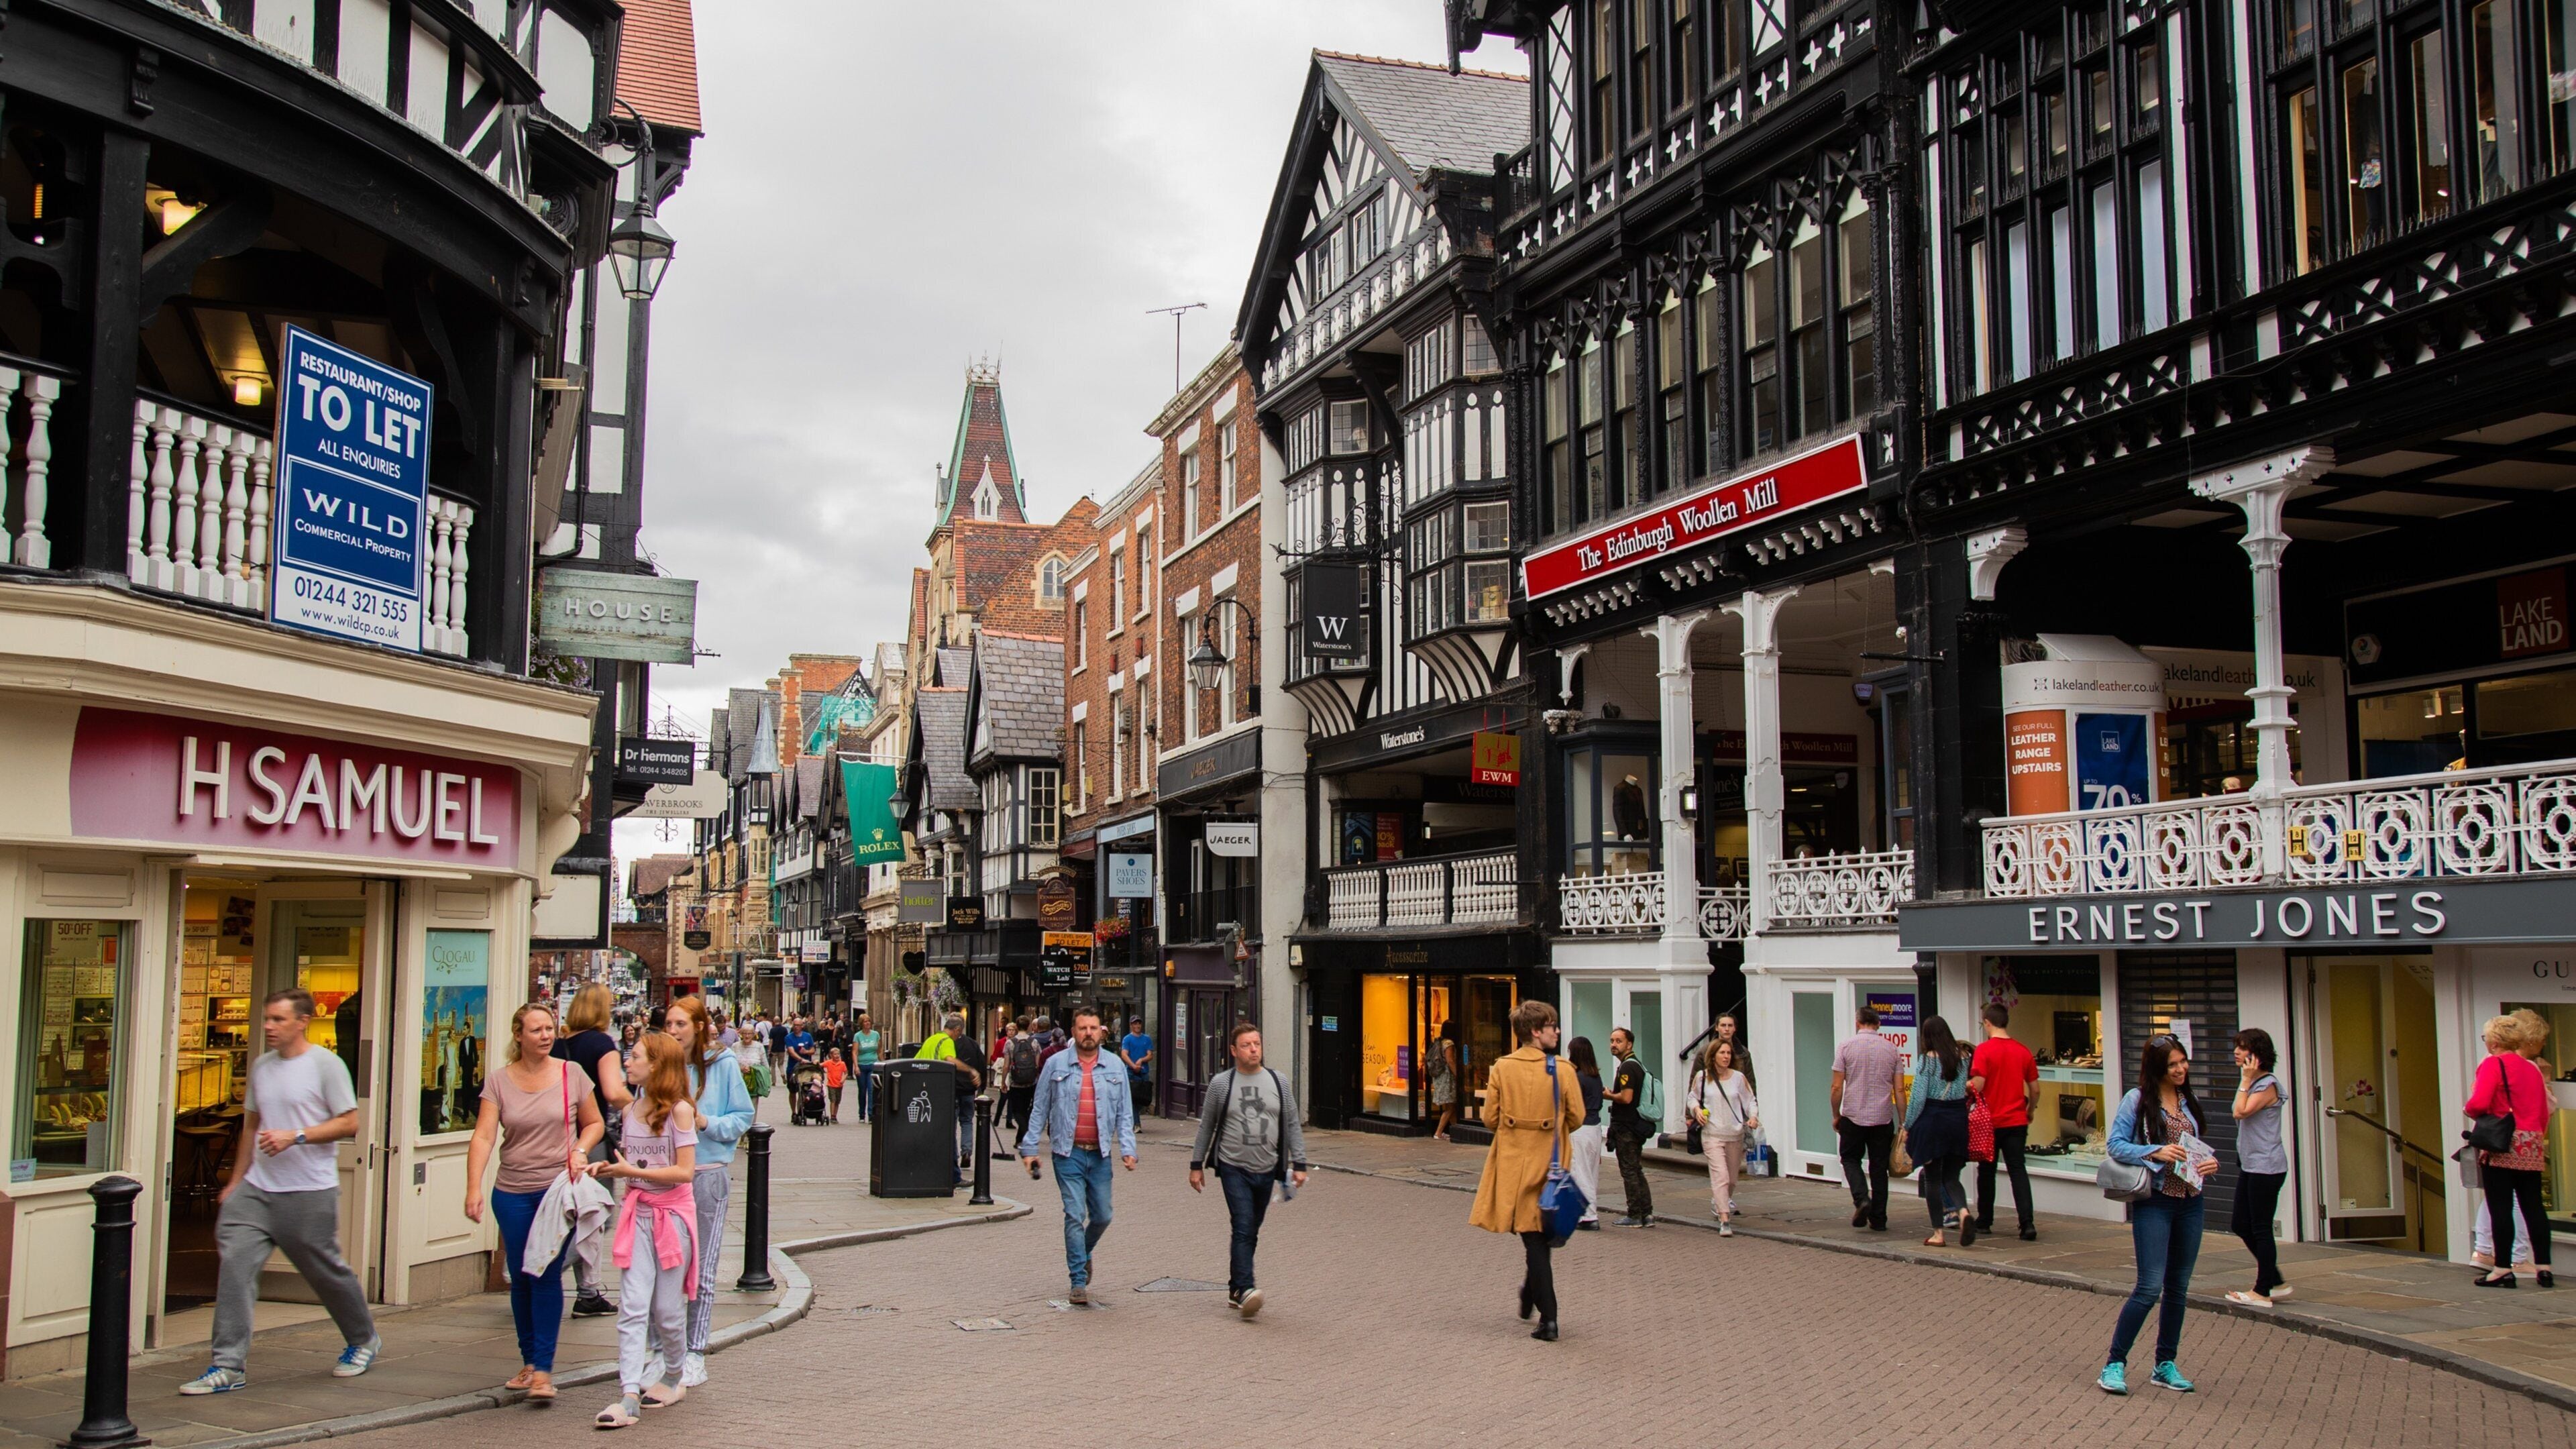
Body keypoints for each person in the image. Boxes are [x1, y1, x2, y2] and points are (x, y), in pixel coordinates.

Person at [182, 989, 382, 1395]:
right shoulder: (262, 1067)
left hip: (308, 1191)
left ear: (302, 1021)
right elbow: (252, 1128)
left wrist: (298, 1136)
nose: (269, 1027)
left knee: (325, 1273)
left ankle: (363, 1340)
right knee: (236, 1269)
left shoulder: (326, 1066)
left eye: (278, 1020)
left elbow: (350, 1124)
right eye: (267, 1019)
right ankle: (228, 1365)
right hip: (257, 1190)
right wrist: (236, 1182)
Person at [464, 1003, 603, 1404]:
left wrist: (581, 1149)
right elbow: (485, 1137)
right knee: (520, 1275)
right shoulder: (499, 1081)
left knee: (543, 1272)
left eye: (549, 1029)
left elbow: (593, 1122)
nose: (545, 1036)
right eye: (536, 1030)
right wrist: (474, 1188)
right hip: (510, 1192)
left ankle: (543, 1369)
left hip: (554, 1192)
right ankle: (529, 1362)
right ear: (518, 1035)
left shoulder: (570, 1074)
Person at [590, 1032, 700, 1430]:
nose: (627, 1064)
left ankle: (674, 1373)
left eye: (634, 1058)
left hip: (672, 1221)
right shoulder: (631, 1109)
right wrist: (605, 1169)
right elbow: (630, 1162)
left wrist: (631, 1172)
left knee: (668, 1312)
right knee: (633, 1307)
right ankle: (629, 1394)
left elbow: (684, 1173)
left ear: (656, 1066)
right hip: (637, 1217)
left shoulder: (680, 1113)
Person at [2098, 1033, 2211, 1396]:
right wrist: (2156, 1151)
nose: (2181, 1069)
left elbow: (2194, 1146)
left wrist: (2208, 1162)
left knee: (2178, 1288)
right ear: (2157, 1067)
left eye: (2183, 1062)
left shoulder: (2187, 1099)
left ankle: (2165, 1365)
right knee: (2149, 1286)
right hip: (2157, 1202)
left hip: (2191, 1201)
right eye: (2173, 1064)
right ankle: (2114, 1364)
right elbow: (2116, 1144)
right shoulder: (2137, 1099)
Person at [1468, 1000, 1583, 1342]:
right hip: (1550, 1162)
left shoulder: (1502, 1068)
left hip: (1513, 1162)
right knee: (1538, 1236)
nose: (1557, 1032)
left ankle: (1538, 1306)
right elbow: (1576, 1117)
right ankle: (1545, 1315)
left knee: (1534, 1237)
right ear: (1536, 1032)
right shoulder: (1562, 1069)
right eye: (1552, 1027)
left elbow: (1489, 1119)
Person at [1187, 1023, 1309, 1318]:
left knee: (1251, 1229)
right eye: (1246, 1045)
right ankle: (1246, 1289)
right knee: (1242, 1224)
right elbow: (1208, 1125)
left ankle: (1235, 1287)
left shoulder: (1278, 1082)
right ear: (1233, 1051)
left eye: (1257, 1044)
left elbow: (1292, 1123)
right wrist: (1196, 1165)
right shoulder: (1222, 1083)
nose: (1253, 1049)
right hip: (1233, 1166)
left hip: (1267, 1167)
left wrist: (1300, 1163)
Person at [1018, 1007, 1139, 1303]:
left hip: (1099, 1155)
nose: (1088, 1033)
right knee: (1074, 1214)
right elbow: (1040, 1108)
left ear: (1101, 1032)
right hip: (1067, 1152)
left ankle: (1084, 1252)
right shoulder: (1056, 1064)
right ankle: (1078, 1280)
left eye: (1094, 1028)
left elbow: (1125, 1113)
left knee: (1103, 1215)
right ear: (1074, 1032)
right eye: (1083, 1028)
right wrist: (1030, 1148)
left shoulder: (1114, 1066)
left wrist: (1128, 1148)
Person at [664, 997, 751, 1387]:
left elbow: (742, 1117)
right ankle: (660, 1351)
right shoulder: (660, 1063)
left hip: (706, 1174)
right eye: (669, 1023)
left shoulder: (723, 1064)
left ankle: (694, 1352)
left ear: (698, 1027)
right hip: (664, 1178)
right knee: (661, 1268)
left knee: (701, 1269)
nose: (673, 1030)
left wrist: (704, 1122)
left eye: (680, 1024)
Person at [554, 983, 633, 1319]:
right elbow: (614, 1092)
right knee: (594, 1214)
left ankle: (588, 1292)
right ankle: (541, 1267)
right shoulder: (603, 1044)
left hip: (557, 1137)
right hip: (591, 1135)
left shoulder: (559, 1045)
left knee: (571, 1213)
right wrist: (646, 1110)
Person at [2466, 1012, 2555, 1290]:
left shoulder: (2493, 1064)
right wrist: (2534, 1137)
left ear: (2493, 1041)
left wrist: (2469, 1110)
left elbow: (2479, 1103)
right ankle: (2544, 1268)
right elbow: (2543, 1111)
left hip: (2503, 1142)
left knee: (2500, 1206)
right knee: (2533, 1206)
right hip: (2532, 1141)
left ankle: (2503, 1269)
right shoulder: (2532, 1068)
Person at [2226, 1028, 2290, 1307]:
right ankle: (2273, 1278)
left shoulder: (2267, 1085)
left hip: (2267, 1167)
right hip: (2251, 1165)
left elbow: (2240, 1112)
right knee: (2240, 1223)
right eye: (2236, 1047)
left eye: (2243, 1048)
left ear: (2258, 1054)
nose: (2237, 1052)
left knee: (2261, 1227)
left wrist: (2245, 1080)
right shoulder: (2253, 1083)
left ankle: (2262, 1291)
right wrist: (2245, 1081)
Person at [1968, 1003, 2039, 1242]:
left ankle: (1985, 1220)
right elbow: (2035, 1089)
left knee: (1986, 1171)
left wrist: (1967, 1088)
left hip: (1990, 1121)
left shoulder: (1984, 1051)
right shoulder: (2023, 1051)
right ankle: (2027, 1223)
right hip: (2017, 1120)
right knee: (2018, 1169)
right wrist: (2030, 1110)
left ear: (1987, 1023)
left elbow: (1978, 1083)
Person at [1829, 1006, 1902, 1232]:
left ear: (1858, 1022)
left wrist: (1836, 1114)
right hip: (1882, 1118)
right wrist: (1903, 1121)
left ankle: (1861, 1199)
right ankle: (1879, 1219)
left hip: (1853, 1115)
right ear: (1878, 1024)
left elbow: (1836, 1086)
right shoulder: (1892, 1049)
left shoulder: (1846, 1046)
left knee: (1850, 1159)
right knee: (1880, 1168)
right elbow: (1899, 1089)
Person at [1904, 1016, 1974, 1248]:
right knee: (1952, 1177)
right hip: (1957, 1120)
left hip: (1933, 1120)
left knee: (1932, 1179)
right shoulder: (1964, 1058)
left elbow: (1917, 1098)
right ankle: (1963, 1212)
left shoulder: (1927, 1061)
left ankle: (1938, 1234)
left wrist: (1907, 1126)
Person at [1686, 1039, 1758, 1234]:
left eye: (1728, 1053)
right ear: (1713, 1055)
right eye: (1722, 1053)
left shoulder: (1738, 1078)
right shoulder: (1703, 1077)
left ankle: (1719, 1200)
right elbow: (1692, 1097)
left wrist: (1753, 1117)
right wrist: (1696, 1111)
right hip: (1712, 1134)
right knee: (1721, 1176)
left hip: (1735, 1134)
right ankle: (1724, 1219)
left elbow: (1750, 1100)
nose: (1726, 1057)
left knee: (1732, 1180)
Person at [1604, 1026, 1655, 1227]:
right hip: (1634, 1125)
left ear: (1629, 1044)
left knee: (1629, 1171)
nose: (1614, 1045)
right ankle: (1647, 1213)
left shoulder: (1627, 1068)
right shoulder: (1637, 1065)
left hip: (1627, 1127)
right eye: (1612, 1041)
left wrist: (1608, 1096)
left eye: (1618, 1041)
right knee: (1636, 1169)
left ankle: (1635, 1214)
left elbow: (1626, 1097)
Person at [1566, 1036, 1607, 1231]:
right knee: (1591, 1171)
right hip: (1595, 1127)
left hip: (1580, 1128)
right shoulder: (1595, 1077)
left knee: (1580, 1171)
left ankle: (1588, 1216)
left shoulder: (1577, 1078)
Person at [1002, 1016, 1041, 1140]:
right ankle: (1020, 1139)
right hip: (1031, 1082)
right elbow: (1038, 1064)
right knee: (1026, 1109)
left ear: (1017, 1027)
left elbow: (1006, 1066)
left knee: (1017, 1111)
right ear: (1029, 1026)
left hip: (1015, 1082)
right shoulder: (1034, 1042)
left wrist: (1003, 1082)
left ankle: (1024, 1131)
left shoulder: (1010, 1043)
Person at [1427, 1021, 1462, 1141]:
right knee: (1450, 1107)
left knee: (1450, 1106)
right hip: (1447, 1079)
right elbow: (1450, 1061)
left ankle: (1457, 1130)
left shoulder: (1440, 1042)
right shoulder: (1449, 1043)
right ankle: (1438, 1132)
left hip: (1440, 1078)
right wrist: (1459, 1075)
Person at [851, 1011, 881, 1123]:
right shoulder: (858, 1036)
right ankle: (861, 1115)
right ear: (861, 1024)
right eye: (865, 1021)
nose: (868, 1023)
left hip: (873, 1064)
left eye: (869, 1021)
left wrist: (883, 1063)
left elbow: (879, 1051)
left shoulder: (876, 1035)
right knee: (862, 1091)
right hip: (862, 1065)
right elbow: (854, 1052)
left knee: (872, 1090)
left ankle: (871, 1115)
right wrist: (856, 1066)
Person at [1120, 1016, 1155, 1108]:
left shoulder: (1147, 1039)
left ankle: (1136, 1118)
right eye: (1135, 1024)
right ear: (1131, 1025)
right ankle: (1136, 1121)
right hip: (1132, 1073)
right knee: (1132, 1098)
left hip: (1144, 1072)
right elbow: (1124, 1054)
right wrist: (1133, 1066)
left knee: (1143, 1098)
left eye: (1139, 1024)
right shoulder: (1127, 1039)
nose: (1138, 1026)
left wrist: (1141, 1060)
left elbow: (1150, 1055)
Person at [824, 1049, 847, 1124]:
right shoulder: (829, 1063)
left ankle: (835, 1115)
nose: (837, 1056)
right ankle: (832, 1116)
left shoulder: (842, 1064)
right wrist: (816, 1062)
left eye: (838, 1054)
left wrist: (843, 1080)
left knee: (837, 1101)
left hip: (839, 1085)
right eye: (835, 1054)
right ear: (831, 1056)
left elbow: (846, 1073)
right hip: (831, 1084)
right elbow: (821, 1065)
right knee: (833, 1100)